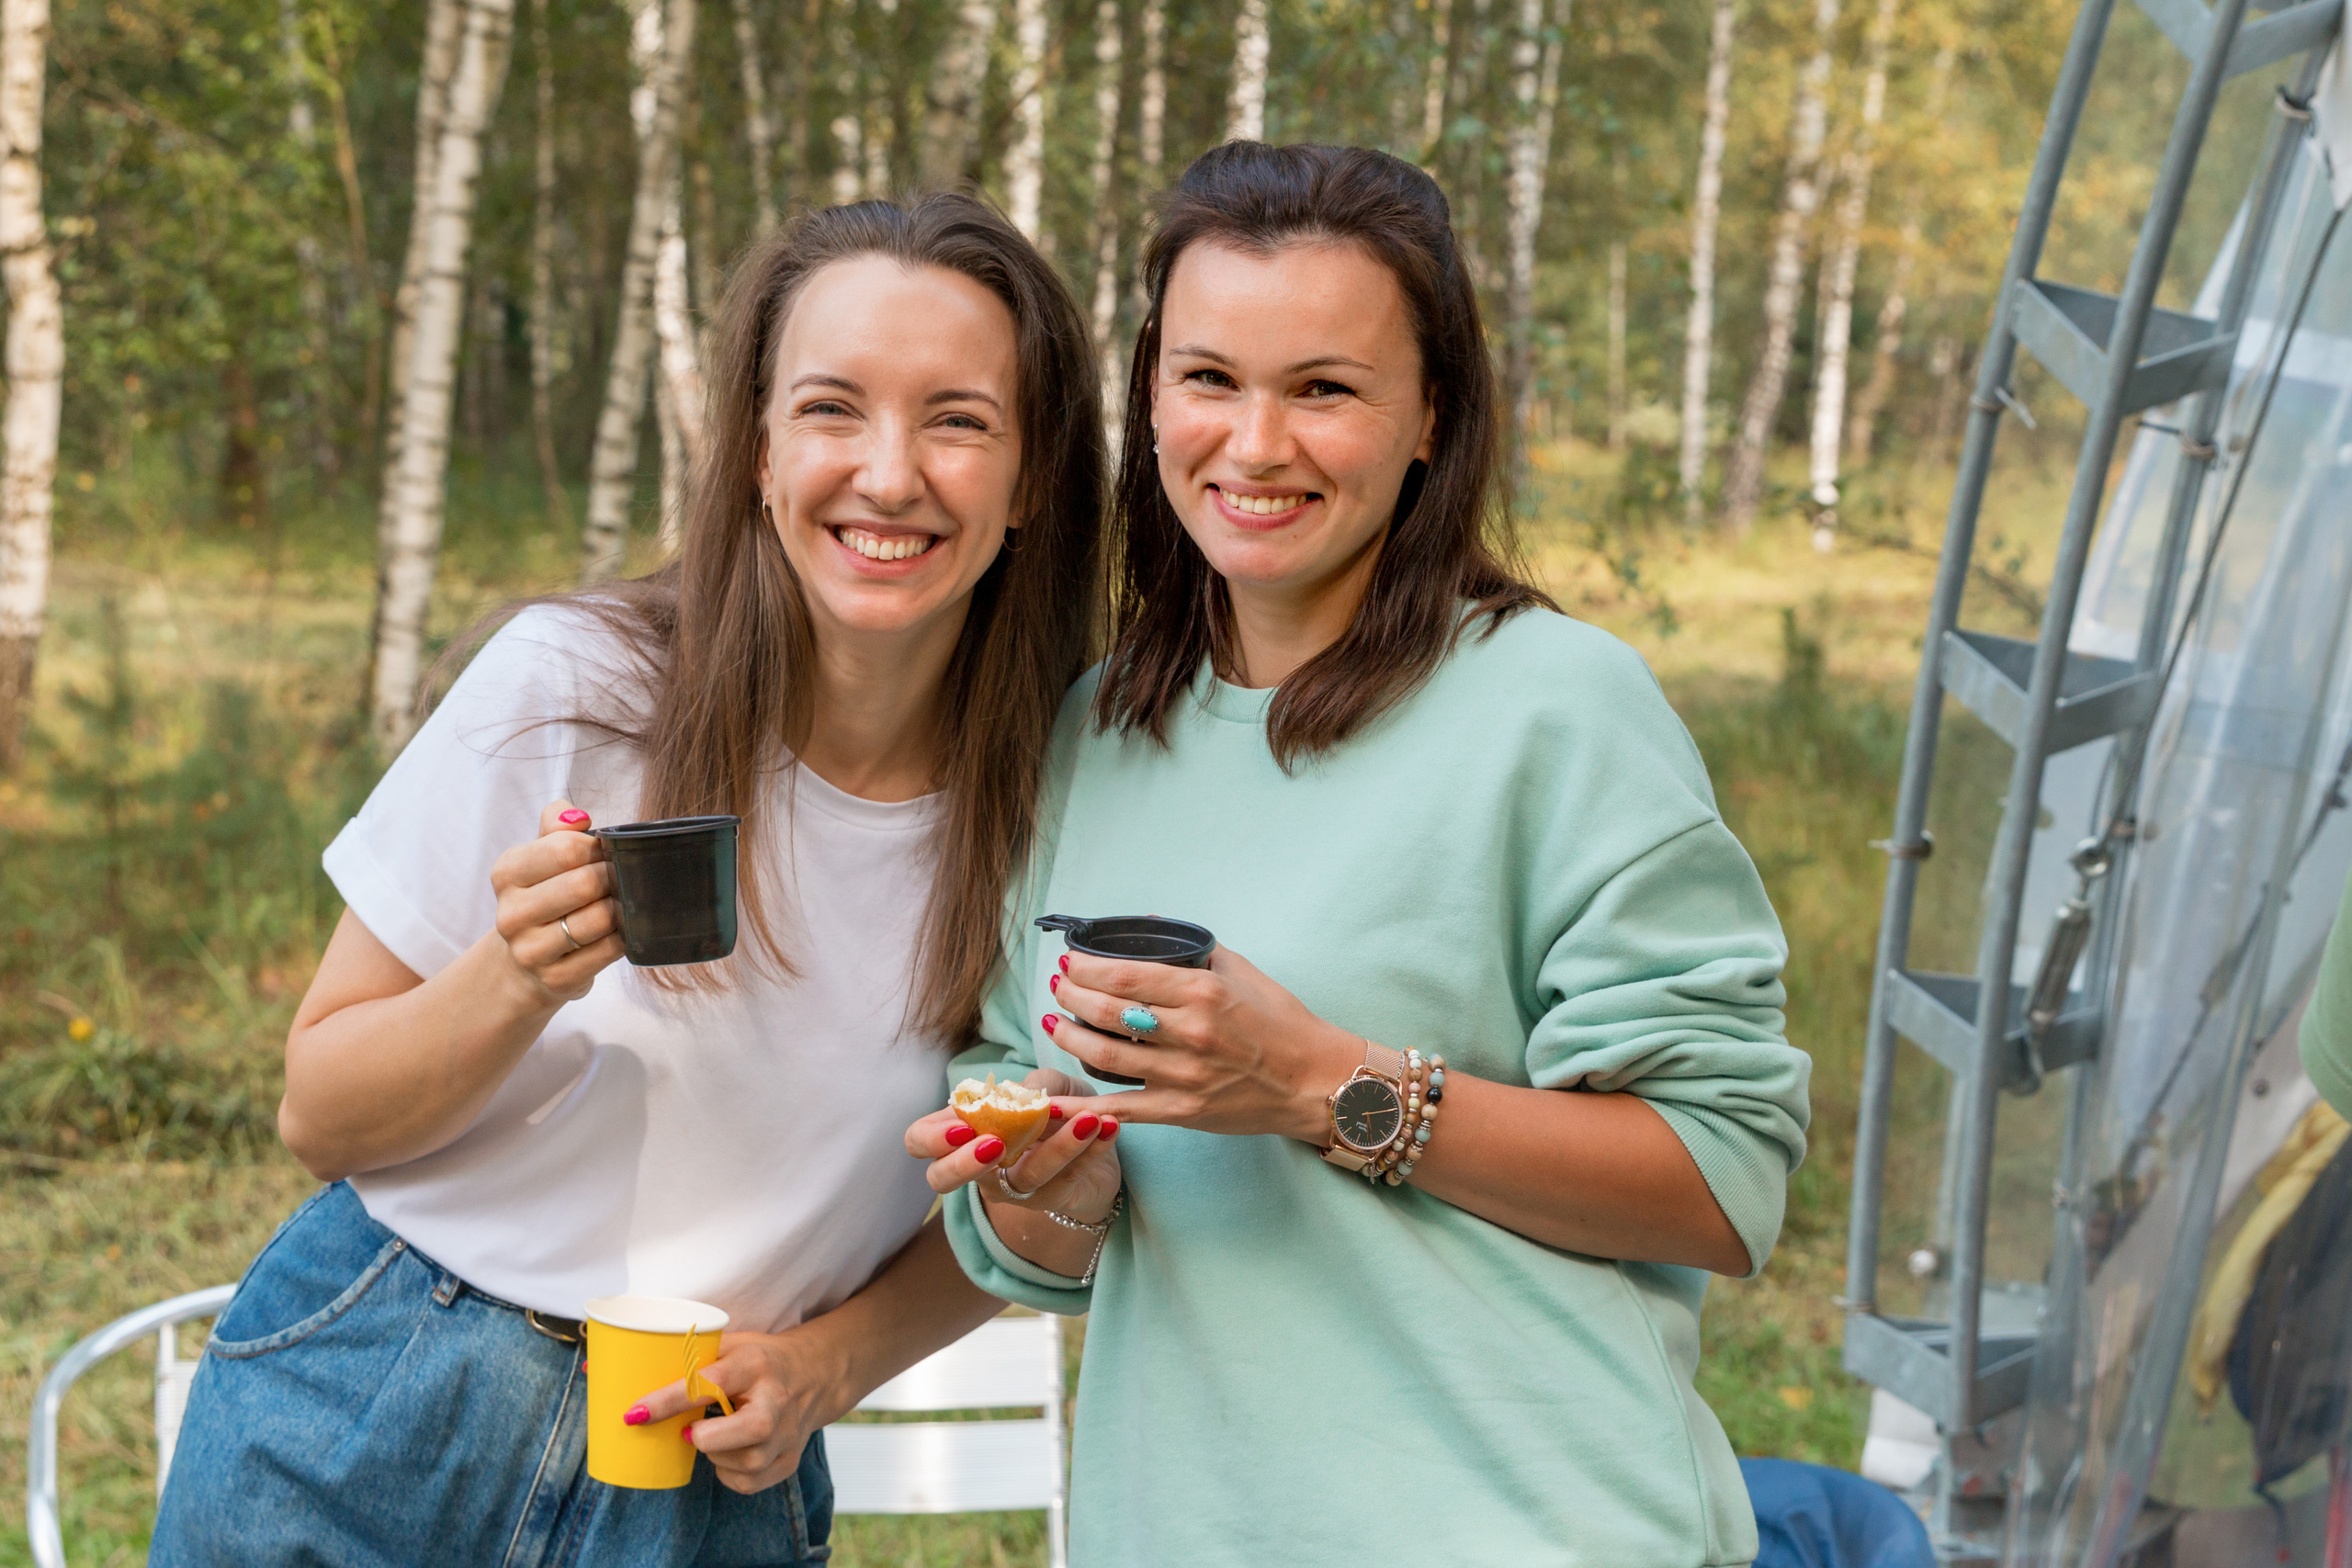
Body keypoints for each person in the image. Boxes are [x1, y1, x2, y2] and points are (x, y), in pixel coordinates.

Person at [152, 194, 1105, 1567]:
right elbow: (321, 1114)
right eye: (832, 409)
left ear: (1031, 479)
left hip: (704, 1477)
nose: (889, 475)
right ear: (761, 456)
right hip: (371, 1404)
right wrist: (511, 977)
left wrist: (828, 1366)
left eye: (957, 420)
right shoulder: (579, 690)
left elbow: (1028, 1207)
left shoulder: (1065, 807)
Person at [907, 142, 1812, 1564]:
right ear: (1151, 398)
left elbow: (1722, 1180)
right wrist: (1044, 1185)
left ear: (1430, 415)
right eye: (1209, 379)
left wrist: (1329, 1085)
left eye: (1324, 389)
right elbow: (1039, 1223)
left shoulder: (1558, 708)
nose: (1256, 446)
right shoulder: (1090, 732)